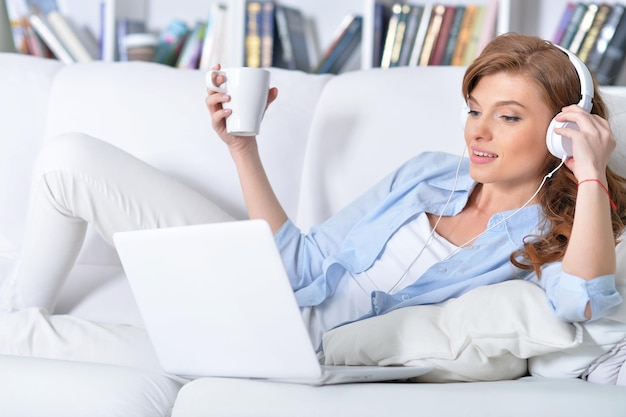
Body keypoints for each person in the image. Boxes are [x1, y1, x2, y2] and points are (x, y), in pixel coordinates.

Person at [1, 33, 625, 363]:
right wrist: (243, 147)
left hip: (290, 345)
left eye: (508, 116)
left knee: (23, 340)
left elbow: (585, 305)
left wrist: (591, 172)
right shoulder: (428, 174)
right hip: (262, 291)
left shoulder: (551, 232)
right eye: (472, 109)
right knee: (69, 157)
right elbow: (300, 263)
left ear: (558, 131)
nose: (478, 132)